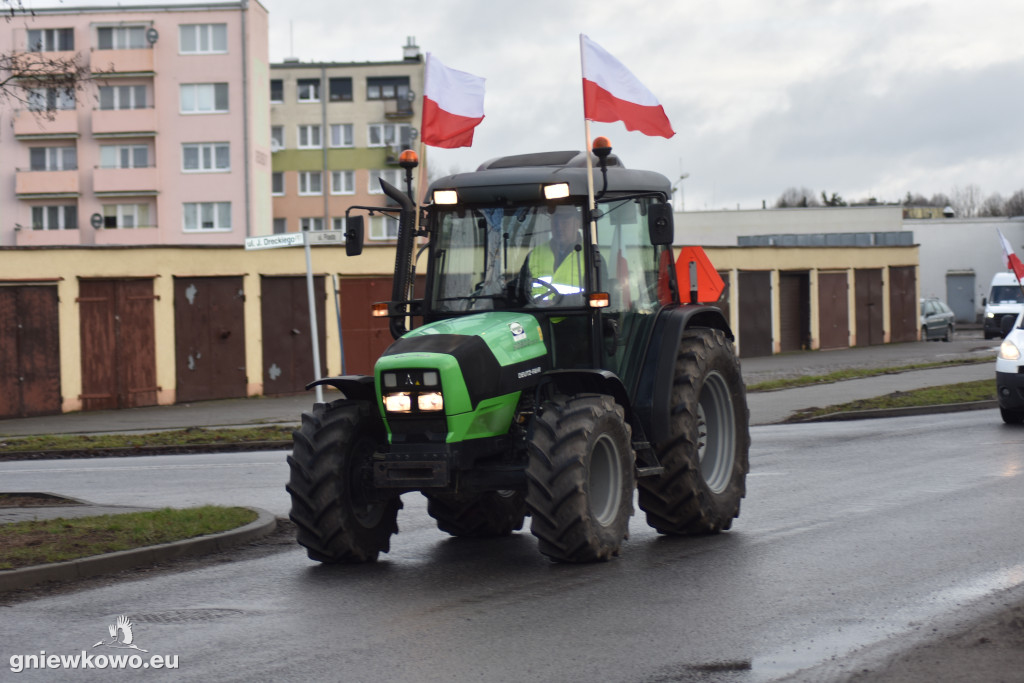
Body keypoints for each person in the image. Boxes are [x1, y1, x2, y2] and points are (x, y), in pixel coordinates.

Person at [525, 206, 584, 305]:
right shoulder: (535, 254)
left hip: (575, 317)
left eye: (565, 221)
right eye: (555, 221)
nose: (559, 227)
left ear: (577, 223)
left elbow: (593, 296)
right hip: (538, 318)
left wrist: (558, 304)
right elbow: (520, 289)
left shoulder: (590, 258)